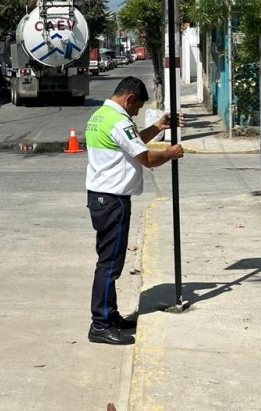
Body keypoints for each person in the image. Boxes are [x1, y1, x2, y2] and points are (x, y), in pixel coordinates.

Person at [85, 77, 184, 345]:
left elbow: (133, 142)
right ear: (129, 99)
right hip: (112, 201)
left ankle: (111, 315)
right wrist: (170, 152)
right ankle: (101, 325)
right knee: (109, 265)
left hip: (101, 198)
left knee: (109, 262)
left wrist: (157, 127)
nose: (136, 113)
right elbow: (147, 158)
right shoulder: (119, 120)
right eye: (136, 108)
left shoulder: (102, 115)